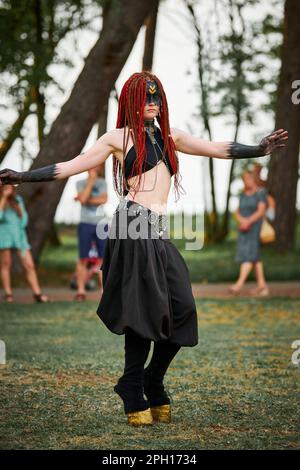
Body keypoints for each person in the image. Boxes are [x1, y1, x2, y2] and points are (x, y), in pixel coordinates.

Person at [0, 71, 288, 426]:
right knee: (141, 312)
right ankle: (133, 387)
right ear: (132, 102)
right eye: (146, 97)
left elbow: (216, 149)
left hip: (158, 232)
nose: (153, 102)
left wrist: (259, 149)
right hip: (131, 227)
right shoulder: (118, 138)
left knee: (182, 309)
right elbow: (70, 167)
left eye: (157, 97)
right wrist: (23, 177)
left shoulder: (170, 136)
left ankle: (150, 378)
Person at [0, 185, 49, 303]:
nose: (8, 188)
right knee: (6, 264)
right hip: (4, 235)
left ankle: (37, 293)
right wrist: (4, 199)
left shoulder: (18, 200)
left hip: (19, 236)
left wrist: (19, 227)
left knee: (29, 265)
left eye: (10, 186)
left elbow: (24, 219)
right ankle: (8, 294)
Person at [229, 170, 269, 296]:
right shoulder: (242, 194)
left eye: (248, 179)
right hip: (243, 229)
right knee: (254, 257)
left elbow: (261, 211)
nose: (246, 181)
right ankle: (262, 286)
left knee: (249, 255)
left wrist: (248, 221)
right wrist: (242, 221)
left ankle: (239, 284)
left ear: (254, 179)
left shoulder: (260, 193)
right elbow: (237, 211)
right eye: (244, 179)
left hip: (255, 228)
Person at [74, 165, 108, 301]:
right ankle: (81, 291)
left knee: (103, 258)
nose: (94, 169)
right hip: (85, 223)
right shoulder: (80, 183)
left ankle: (104, 291)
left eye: (96, 167)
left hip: (101, 224)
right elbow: (83, 200)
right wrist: (91, 182)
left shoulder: (103, 183)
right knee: (83, 258)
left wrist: (85, 199)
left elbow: (103, 200)